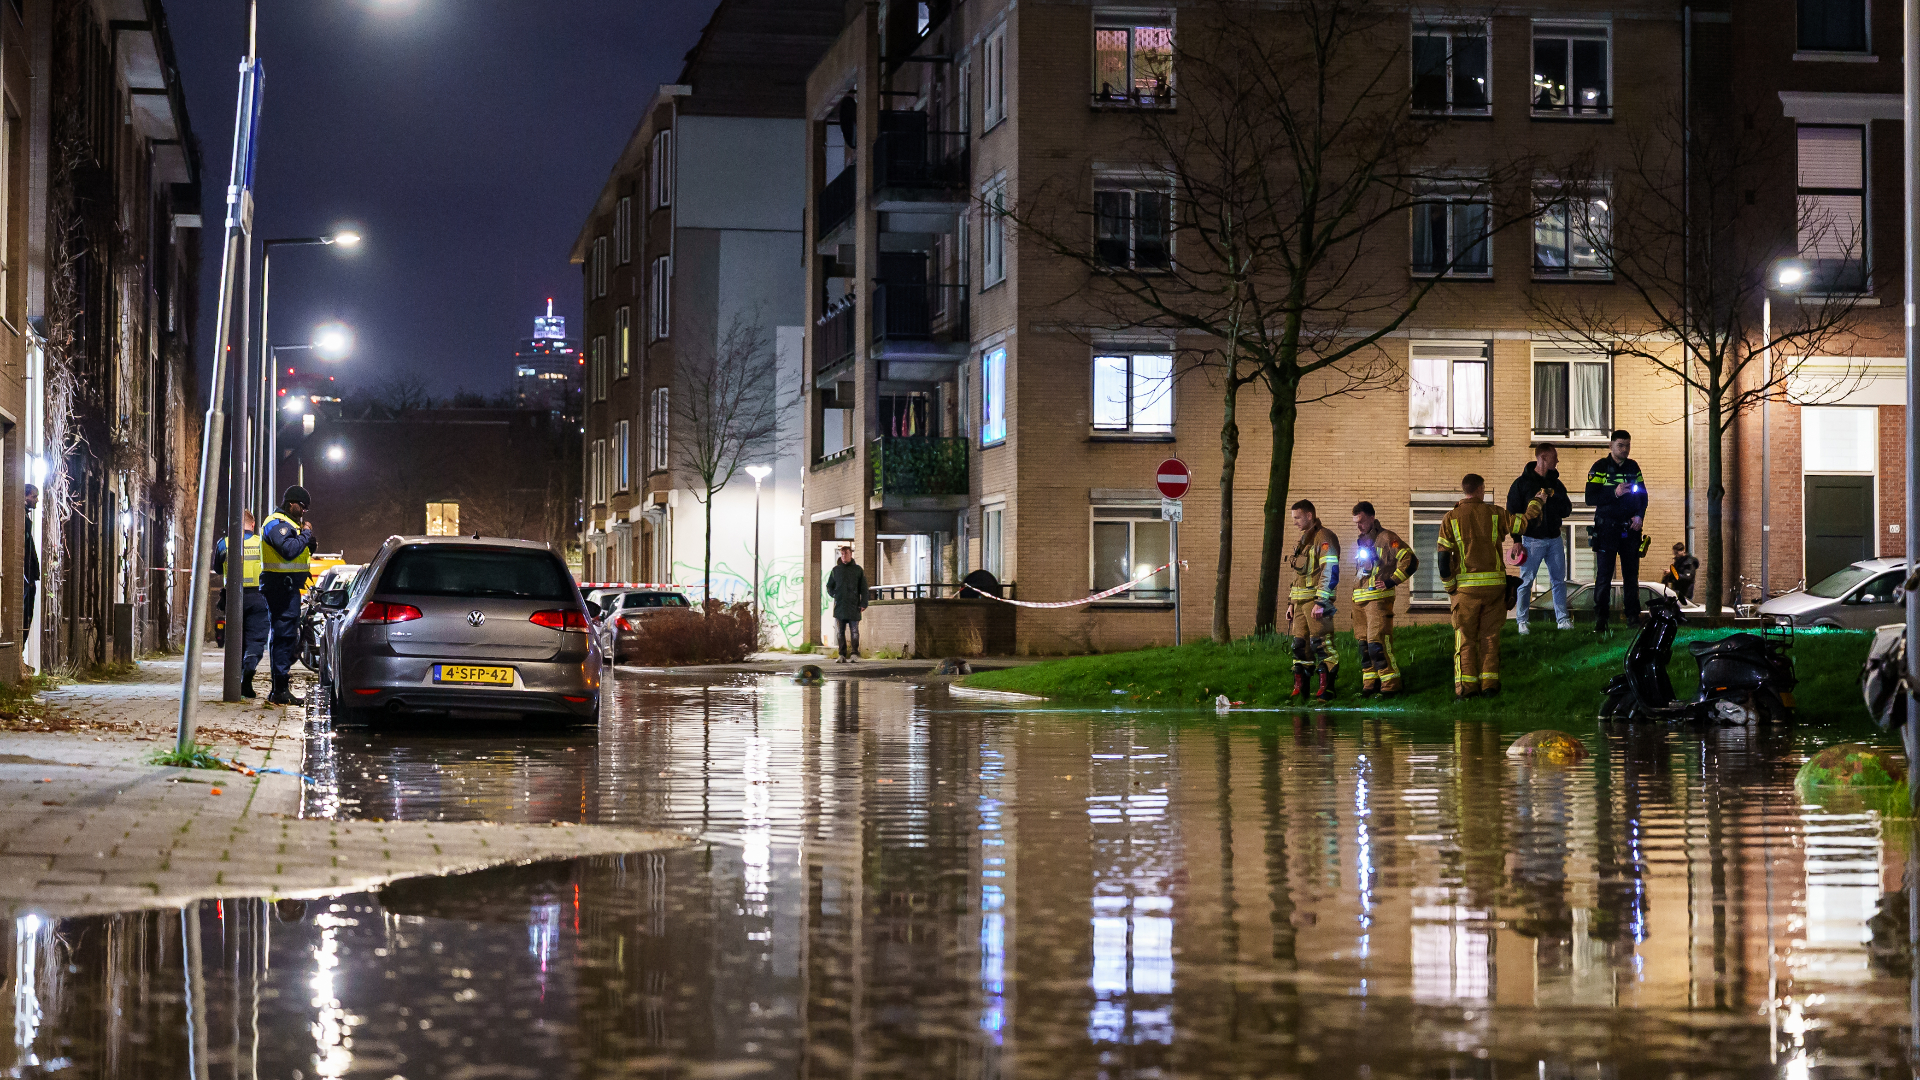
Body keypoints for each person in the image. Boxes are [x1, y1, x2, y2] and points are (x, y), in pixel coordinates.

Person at [1438, 473, 1546, 700]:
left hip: (1465, 591)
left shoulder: (1450, 518)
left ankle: (1467, 689)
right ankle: (1489, 686)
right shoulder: (1495, 513)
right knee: (1490, 637)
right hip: (1494, 588)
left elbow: (1442, 559)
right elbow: (1522, 523)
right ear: (1480, 490)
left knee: (1465, 638)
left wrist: (1450, 586)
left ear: (1465, 490)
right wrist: (1537, 502)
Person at [1506, 443, 1575, 635]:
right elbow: (1513, 513)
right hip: (1531, 539)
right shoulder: (1522, 484)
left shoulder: (1557, 484)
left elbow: (1567, 509)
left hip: (1554, 538)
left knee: (1559, 581)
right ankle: (1522, 621)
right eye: (1555, 457)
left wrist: (1552, 499)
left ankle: (1562, 620)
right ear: (1543, 458)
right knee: (1526, 581)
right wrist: (1517, 540)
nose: (1558, 460)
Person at [1584, 430, 1648, 633]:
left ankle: (1632, 617)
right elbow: (1590, 498)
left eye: (1628, 445)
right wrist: (1614, 492)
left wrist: (1639, 516)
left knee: (1631, 576)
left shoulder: (1633, 467)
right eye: (1621, 445)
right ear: (1610, 446)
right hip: (1607, 529)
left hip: (1630, 529)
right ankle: (1601, 620)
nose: (1625, 449)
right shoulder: (1600, 467)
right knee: (1604, 576)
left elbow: (1643, 496)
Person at [260, 486, 318, 705]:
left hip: (289, 588)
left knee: (288, 636)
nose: (303, 511)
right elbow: (288, 549)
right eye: (302, 506)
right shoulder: (276, 523)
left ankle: (280, 687)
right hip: (279, 588)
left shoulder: (290, 524)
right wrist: (305, 534)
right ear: (291, 503)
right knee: (284, 637)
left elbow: (299, 551)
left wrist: (308, 543)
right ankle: (280, 690)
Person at [1350, 501, 1415, 697]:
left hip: (1378, 600)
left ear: (1371, 517)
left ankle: (1390, 685)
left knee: (1376, 643)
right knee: (1364, 645)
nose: (1358, 526)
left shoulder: (1387, 538)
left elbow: (1410, 560)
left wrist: (1391, 581)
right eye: (1356, 523)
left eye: (1361, 521)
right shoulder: (1362, 540)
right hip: (1359, 600)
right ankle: (1369, 686)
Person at [1286, 500, 1341, 701]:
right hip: (1301, 604)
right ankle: (1301, 691)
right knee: (1299, 646)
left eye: (1297, 518)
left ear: (1310, 515)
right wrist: (1291, 603)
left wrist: (1321, 601)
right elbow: (1297, 576)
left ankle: (1326, 689)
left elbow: (1330, 570)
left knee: (1322, 645)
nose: (1295, 523)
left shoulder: (1324, 538)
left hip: (1315, 602)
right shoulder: (1304, 540)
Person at [213, 511, 268, 698]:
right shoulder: (262, 543)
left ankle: (235, 680)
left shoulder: (224, 543)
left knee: (236, 640)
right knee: (256, 639)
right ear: (252, 526)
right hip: (258, 597)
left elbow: (217, 568)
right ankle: (248, 673)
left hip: (233, 597)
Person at [825, 545, 868, 663]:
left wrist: (864, 603)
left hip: (854, 605)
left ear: (851, 554)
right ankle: (842, 654)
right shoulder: (836, 570)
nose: (843, 556)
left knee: (854, 631)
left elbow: (863, 587)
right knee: (840, 632)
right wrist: (834, 594)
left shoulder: (857, 570)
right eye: (842, 554)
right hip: (840, 606)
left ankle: (854, 653)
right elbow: (829, 585)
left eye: (846, 554)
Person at [22, 484, 38, 634]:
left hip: (29, 575)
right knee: (25, 614)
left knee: (27, 614)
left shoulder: (25, 517)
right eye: (34, 496)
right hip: (26, 576)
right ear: (25, 497)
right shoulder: (21, 518)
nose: (36, 500)